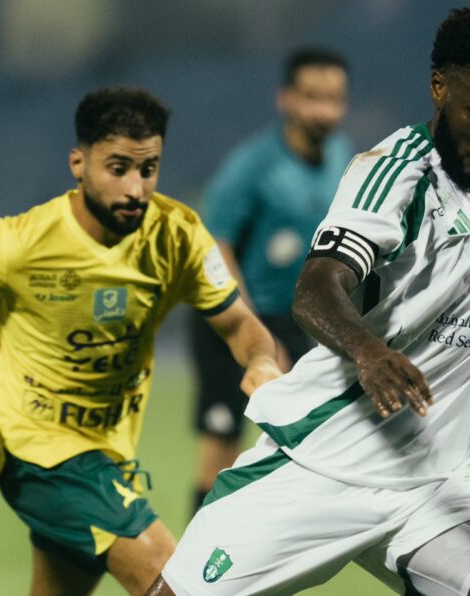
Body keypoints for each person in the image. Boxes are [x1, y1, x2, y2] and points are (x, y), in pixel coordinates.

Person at [148, 8, 470, 596]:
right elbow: (316, 287)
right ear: (439, 88)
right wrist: (367, 351)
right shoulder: (399, 174)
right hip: (323, 468)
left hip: (432, 485)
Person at [0, 86, 282, 595]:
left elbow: (238, 324)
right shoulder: (21, 241)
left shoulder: (177, 235)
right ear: (78, 164)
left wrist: (261, 360)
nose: (135, 188)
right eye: (117, 168)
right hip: (37, 453)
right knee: (181, 584)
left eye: (148, 169)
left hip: (107, 455)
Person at [187, 47, 352, 513]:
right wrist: (252, 332)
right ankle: (196, 555)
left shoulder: (341, 155)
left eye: (334, 99)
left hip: (296, 321)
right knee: (222, 447)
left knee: (310, 445)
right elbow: (215, 247)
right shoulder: (252, 166)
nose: (323, 110)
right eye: (312, 97)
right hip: (233, 319)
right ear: (286, 99)